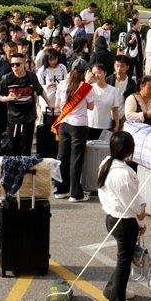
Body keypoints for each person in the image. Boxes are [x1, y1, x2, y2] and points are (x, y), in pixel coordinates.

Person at [96, 131, 146, 301]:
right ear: (129, 150)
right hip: (124, 222)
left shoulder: (105, 163)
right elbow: (132, 204)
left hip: (112, 218)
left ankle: (113, 289)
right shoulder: (124, 173)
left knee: (123, 259)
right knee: (124, 262)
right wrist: (141, 218)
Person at [52, 68, 94, 202]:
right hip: (79, 125)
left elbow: (57, 105)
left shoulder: (62, 84)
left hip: (63, 123)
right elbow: (91, 107)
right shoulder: (85, 87)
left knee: (62, 157)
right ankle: (75, 193)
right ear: (84, 73)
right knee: (76, 159)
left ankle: (61, 189)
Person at [0, 53, 45, 156]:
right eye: (12, 64)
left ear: (24, 64)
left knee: (26, 148)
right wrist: (9, 98)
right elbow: (1, 98)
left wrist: (50, 103)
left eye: (17, 64)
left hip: (28, 117)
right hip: (13, 118)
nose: (15, 67)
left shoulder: (31, 76)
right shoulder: (6, 79)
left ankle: (25, 165)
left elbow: (40, 90)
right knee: (13, 147)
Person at [87, 63, 121, 140]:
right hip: (90, 124)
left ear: (105, 73)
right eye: (94, 73)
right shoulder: (90, 88)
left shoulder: (113, 90)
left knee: (104, 147)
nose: (96, 75)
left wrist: (117, 125)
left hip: (106, 125)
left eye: (99, 72)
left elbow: (115, 109)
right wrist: (87, 81)